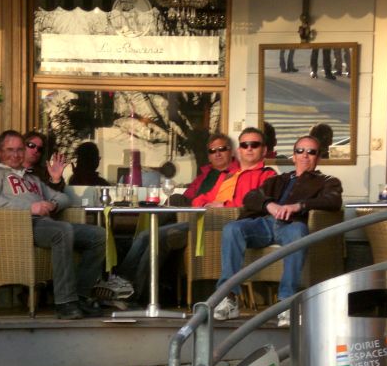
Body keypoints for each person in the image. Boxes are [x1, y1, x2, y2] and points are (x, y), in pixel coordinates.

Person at [112, 129, 275, 302]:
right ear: (239, 149)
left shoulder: (268, 175)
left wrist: (224, 205)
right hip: (206, 220)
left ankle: (135, 295)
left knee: (159, 237)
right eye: (245, 145)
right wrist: (206, 204)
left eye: (254, 145)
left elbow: (255, 204)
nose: (249, 148)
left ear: (264, 150)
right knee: (147, 234)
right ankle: (121, 283)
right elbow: (203, 198)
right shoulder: (229, 175)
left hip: (226, 226)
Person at [0, 130, 106, 320]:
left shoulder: (31, 179)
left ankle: (80, 296)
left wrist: (52, 204)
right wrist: (31, 207)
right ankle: (65, 303)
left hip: (45, 225)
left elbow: (63, 198)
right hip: (19, 227)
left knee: (98, 236)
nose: (16, 154)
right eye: (10, 150)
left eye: (19, 150)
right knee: (62, 230)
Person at [213, 135, 343, 324]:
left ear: (318, 157)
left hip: (292, 225)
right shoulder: (278, 179)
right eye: (300, 151)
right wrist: (269, 205)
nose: (305, 155)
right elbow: (251, 197)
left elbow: (333, 201)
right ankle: (229, 298)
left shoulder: (327, 181)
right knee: (232, 229)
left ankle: (286, 303)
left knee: (298, 232)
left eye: (311, 152)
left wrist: (299, 206)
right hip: (265, 223)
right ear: (294, 156)